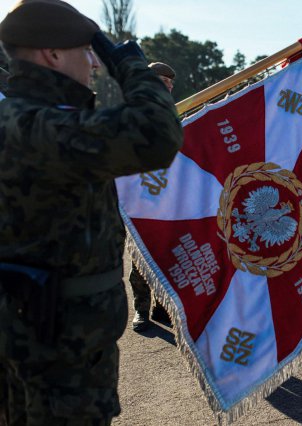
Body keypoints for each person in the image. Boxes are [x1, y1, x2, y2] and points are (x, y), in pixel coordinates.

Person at [0, 1, 183, 424]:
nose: (93, 63)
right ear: (53, 54)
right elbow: (156, 134)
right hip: (57, 355)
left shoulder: (21, 117)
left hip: (35, 334)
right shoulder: (38, 125)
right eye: (86, 51)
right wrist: (130, 63)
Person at [129, 61, 177, 332]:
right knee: (140, 258)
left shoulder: (174, 110)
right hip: (139, 195)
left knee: (165, 254)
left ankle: (162, 307)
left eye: (171, 83)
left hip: (166, 195)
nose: (169, 86)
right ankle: (141, 310)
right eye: (164, 81)